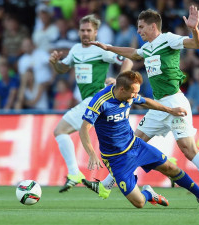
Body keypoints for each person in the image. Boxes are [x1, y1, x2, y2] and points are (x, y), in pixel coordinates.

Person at [88, 6, 199, 207]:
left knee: (188, 149)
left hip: (175, 101)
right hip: (158, 105)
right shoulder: (147, 47)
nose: (138, 31)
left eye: (141, 27)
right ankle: (106, 185)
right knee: (132, 143)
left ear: (153, 26)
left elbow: (197, 44)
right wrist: (108, 47)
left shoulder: (169, 39)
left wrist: (194, 28)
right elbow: (134, 54)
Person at [80, 70, 199, 209]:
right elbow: (83, 129)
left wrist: (170, 110)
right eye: (134, 93)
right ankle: (148, 193)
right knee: (139, 203)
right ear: (121, 90)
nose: (136, 96)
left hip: (135, 145)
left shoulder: (129, 94)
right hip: (115, 159)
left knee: (171, 168)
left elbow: (146, 102)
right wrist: (92, 153)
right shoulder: (100, 101)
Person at [49, 14, 133, 193]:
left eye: (89, 30)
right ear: (78, 31)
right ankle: (110, 183)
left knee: (60, 131)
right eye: (82, 30)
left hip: (95, 100)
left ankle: (74, 173)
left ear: (95, 32)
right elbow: (64, 68)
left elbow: (128, 60)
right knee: (121, 146)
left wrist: (119, 81)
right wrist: (56, 63)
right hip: (96, 103)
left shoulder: (101, 50)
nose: (85, 33)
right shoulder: (75, 50)